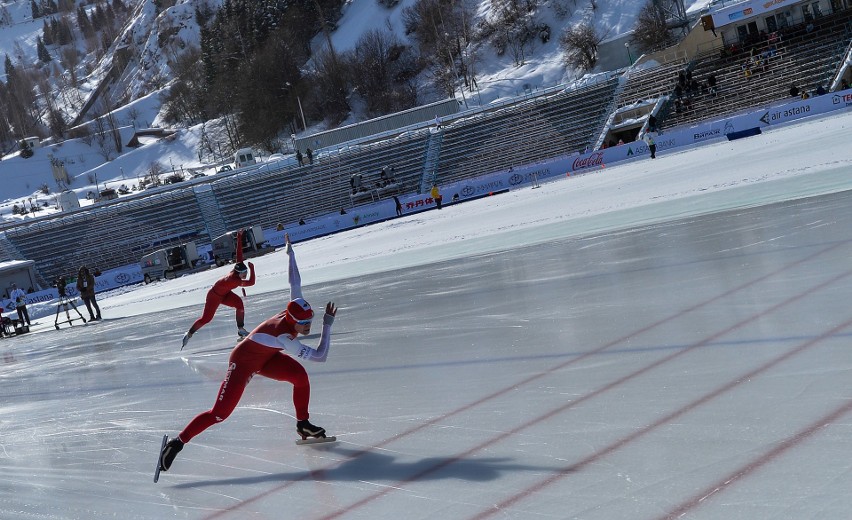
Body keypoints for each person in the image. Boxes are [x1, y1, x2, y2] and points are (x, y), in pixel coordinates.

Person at [159, 234, 338, 475]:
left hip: (266, 356)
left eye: (311, 320)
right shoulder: (285, 337)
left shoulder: (294, 308)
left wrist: (290, 252)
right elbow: (320, 356)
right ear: (293, 320)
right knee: (219, 414)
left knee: (300, 377)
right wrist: (327, 324)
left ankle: (303, 424)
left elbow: (294, 280)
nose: (309, 326)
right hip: (243, 362)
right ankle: (177, 443)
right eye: (304, 322)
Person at [181, 229, 256, 349]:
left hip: (225, 293)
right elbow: (251, 282)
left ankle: (241, 329)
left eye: (246, 272)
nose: (245, 275)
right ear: (238, 273)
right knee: (206, 319)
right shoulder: (234, 280)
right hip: (214, 296)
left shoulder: (236, 271)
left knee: (239, 304)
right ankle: (189, 334)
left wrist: (239, 236)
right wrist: (252, 268)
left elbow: (239, 254)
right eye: (244, 273)